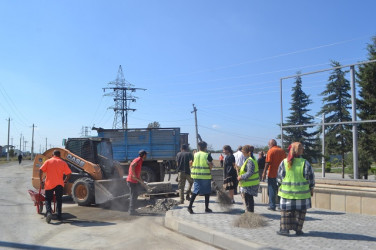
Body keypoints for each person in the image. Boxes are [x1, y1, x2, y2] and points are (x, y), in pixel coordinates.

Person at [276, 142, 315, 236]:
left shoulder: (284, 162)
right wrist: (311, 188)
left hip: (286, 194)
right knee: (300, 213)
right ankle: (298, 230)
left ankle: (285, 230)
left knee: (286, 212)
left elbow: (279, 178)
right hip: (302, 194)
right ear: (300, 151)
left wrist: (279, 186)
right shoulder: (305, 163)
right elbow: (311, 178)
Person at [39, 150, 71, 223]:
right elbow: (69, 173)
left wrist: (41, 181)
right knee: (59, 199)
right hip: (59, 184)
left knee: (48, 199)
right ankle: (59, 215)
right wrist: (65, 180)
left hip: (49, 184)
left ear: (53, 154)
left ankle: (49, 213)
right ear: (59, 155)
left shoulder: (48, 161)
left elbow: (40, 170)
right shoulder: (63, 163)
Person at [188, 141, 213, 214]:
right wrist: (210, 168)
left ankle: (190, 207)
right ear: (205, 147)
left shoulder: (195, 155)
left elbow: (191, 163)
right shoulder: (207, 155)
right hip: (205, 176)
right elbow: (210, 164)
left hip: (196, 176)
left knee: (195, 191)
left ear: (199, 147)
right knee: (207, 192)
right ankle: (206, 208)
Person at [262, 139, 286, 211]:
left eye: (268, 145)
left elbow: (267, 163)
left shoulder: (271, 151)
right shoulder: (282, 151)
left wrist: (264, 173)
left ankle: (272, 206)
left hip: (272, 174)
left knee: (272, 190)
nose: (268, 146)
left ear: (271, 144)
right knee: (280, 190)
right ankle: (280, 205)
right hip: (281, 174)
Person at [237, 145, 260, 212]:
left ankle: (250, 214)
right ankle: (249, 212)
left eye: (243, 152)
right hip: (251, 183)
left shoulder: (250, 160)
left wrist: (241, 177)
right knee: (249, 200)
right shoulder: (252, 159)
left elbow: (250, 172)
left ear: (247, 152)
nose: (242, 153)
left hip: (249, 184)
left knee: (248, 200)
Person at [126, 150, 147, 216]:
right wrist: (134, 175)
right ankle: (131, 211)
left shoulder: (140, 161)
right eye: (146, 155)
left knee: (135, 195)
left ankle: (132, 209)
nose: (146, 156)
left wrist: (141, 181)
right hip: (131, 180)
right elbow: (132, 166)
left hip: (134, 181)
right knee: (133, 195)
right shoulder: (138, 159)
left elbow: (138, 173)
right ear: (144, 155)